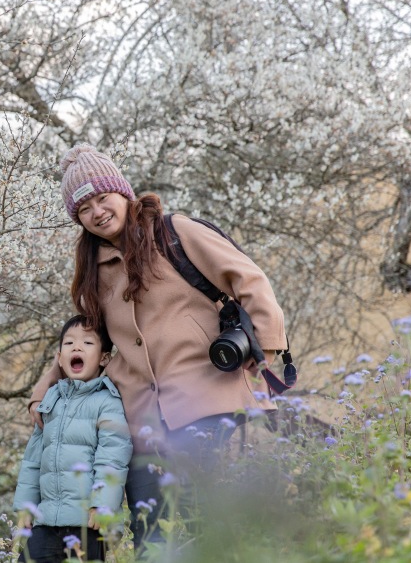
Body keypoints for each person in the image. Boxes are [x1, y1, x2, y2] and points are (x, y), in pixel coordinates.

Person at [29, 143, 289, 552]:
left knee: (202, 515)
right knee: (151, 528)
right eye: (84, 209)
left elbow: (250, 281)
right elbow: (88, 339)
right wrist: (46, 390)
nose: (97, 212)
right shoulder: (91, 271)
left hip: (205, 396)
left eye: (102, 198)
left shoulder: (175, 232)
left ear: (123, 192)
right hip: (138, 417)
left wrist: (267, 354)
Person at [13, 315, 133, 563]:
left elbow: (112, 458)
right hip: (45, 521)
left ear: (104, 358)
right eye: (69, 344)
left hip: (86, 523)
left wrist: (102, 505)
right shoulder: (51, 400)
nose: (76, 347)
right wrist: (25, 506)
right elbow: (33, 460)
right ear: (59, 358)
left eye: (88, 343)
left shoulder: (108, 402)